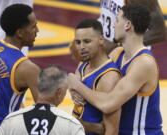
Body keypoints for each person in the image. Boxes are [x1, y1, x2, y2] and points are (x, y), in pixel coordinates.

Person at [68, 4, 163, 135]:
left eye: (117, 20)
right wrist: (76, 79)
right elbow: (89, 65)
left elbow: (108, 104)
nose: (113, 25)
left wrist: (77, 85)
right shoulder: (118, 53)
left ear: (127, 25)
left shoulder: (144, 63)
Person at [0, 4, 40, 135]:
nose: (37, 30)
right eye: (33, 26)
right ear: (20, 33)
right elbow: (46, 112)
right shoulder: (28, 68)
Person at [0, 65, 85, 135]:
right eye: (65, 91)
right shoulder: (71, 124)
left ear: (39, 87)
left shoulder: (11, 120)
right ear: (59, 92)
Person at [71, 19, 121, 135]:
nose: (81, 47)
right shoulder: (83, 63)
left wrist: (74, 84)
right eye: (78, 42)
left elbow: (111, 130)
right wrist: (72, 88)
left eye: (87, 41)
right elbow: (73, 80)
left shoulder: (108, 77)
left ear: (101, 40)